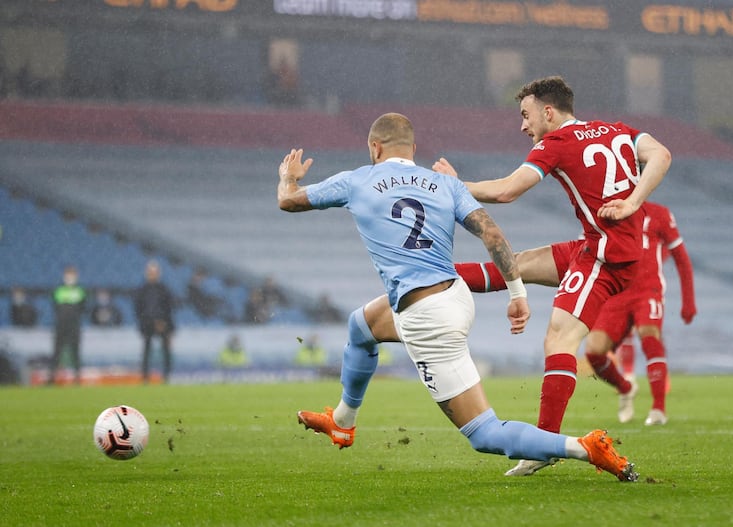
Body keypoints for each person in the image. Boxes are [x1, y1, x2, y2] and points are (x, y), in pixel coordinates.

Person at [277, 112, 638, 481]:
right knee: (361, 327)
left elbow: (288, 201)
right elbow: (493, 236)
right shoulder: (441, 183)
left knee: (485, 434)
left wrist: (288, 177)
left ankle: (583, 446)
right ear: (414, 149)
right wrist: (517, 293)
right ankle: (343, 421)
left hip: (426, 318)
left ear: (374, 147)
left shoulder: (356, 180)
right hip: (454, 296)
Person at [428, 76, 671, 476]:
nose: (523, 126)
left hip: (607, 256)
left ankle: (544, 445)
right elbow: (661, 154)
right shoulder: (618, 130)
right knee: (516, 264)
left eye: (526, 115)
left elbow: (507, 191)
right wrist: (632, 201)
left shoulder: (557, 143)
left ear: (548, 111)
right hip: (596, 246)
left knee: (559, 336)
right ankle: (433, 275)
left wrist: (453, 186)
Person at [584, 201, 696, 426]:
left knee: (649, 335)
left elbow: (681, 257)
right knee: (594, 351)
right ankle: (626, 387)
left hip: (648, 290)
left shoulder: (659, 214)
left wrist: (688, 301)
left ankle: (658, 409)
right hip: (615, 292)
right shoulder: (604, 211)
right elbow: (587, 252)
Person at [134, 260, 176, 383]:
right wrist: (143, 322)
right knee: (146, 351)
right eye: (150, 272)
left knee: (166, 351)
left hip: (163, 324)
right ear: (147, 273)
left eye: (154, 272)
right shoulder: (142, 290)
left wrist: (165, 323)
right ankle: (145, 377)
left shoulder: (164, 289)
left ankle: (166, 376)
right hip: (147, 324)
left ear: (158, 273)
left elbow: (169, 308)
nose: (152, 274)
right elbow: (138, 308)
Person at [49, 265, 87, 384]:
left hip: (74, 326)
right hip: (60, 326)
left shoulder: (80, 290)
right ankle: (52, 377)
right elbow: (55, 306)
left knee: (75, 352)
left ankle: (77, 378)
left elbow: (83, 307)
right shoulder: (59, 289)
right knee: (57, 352)